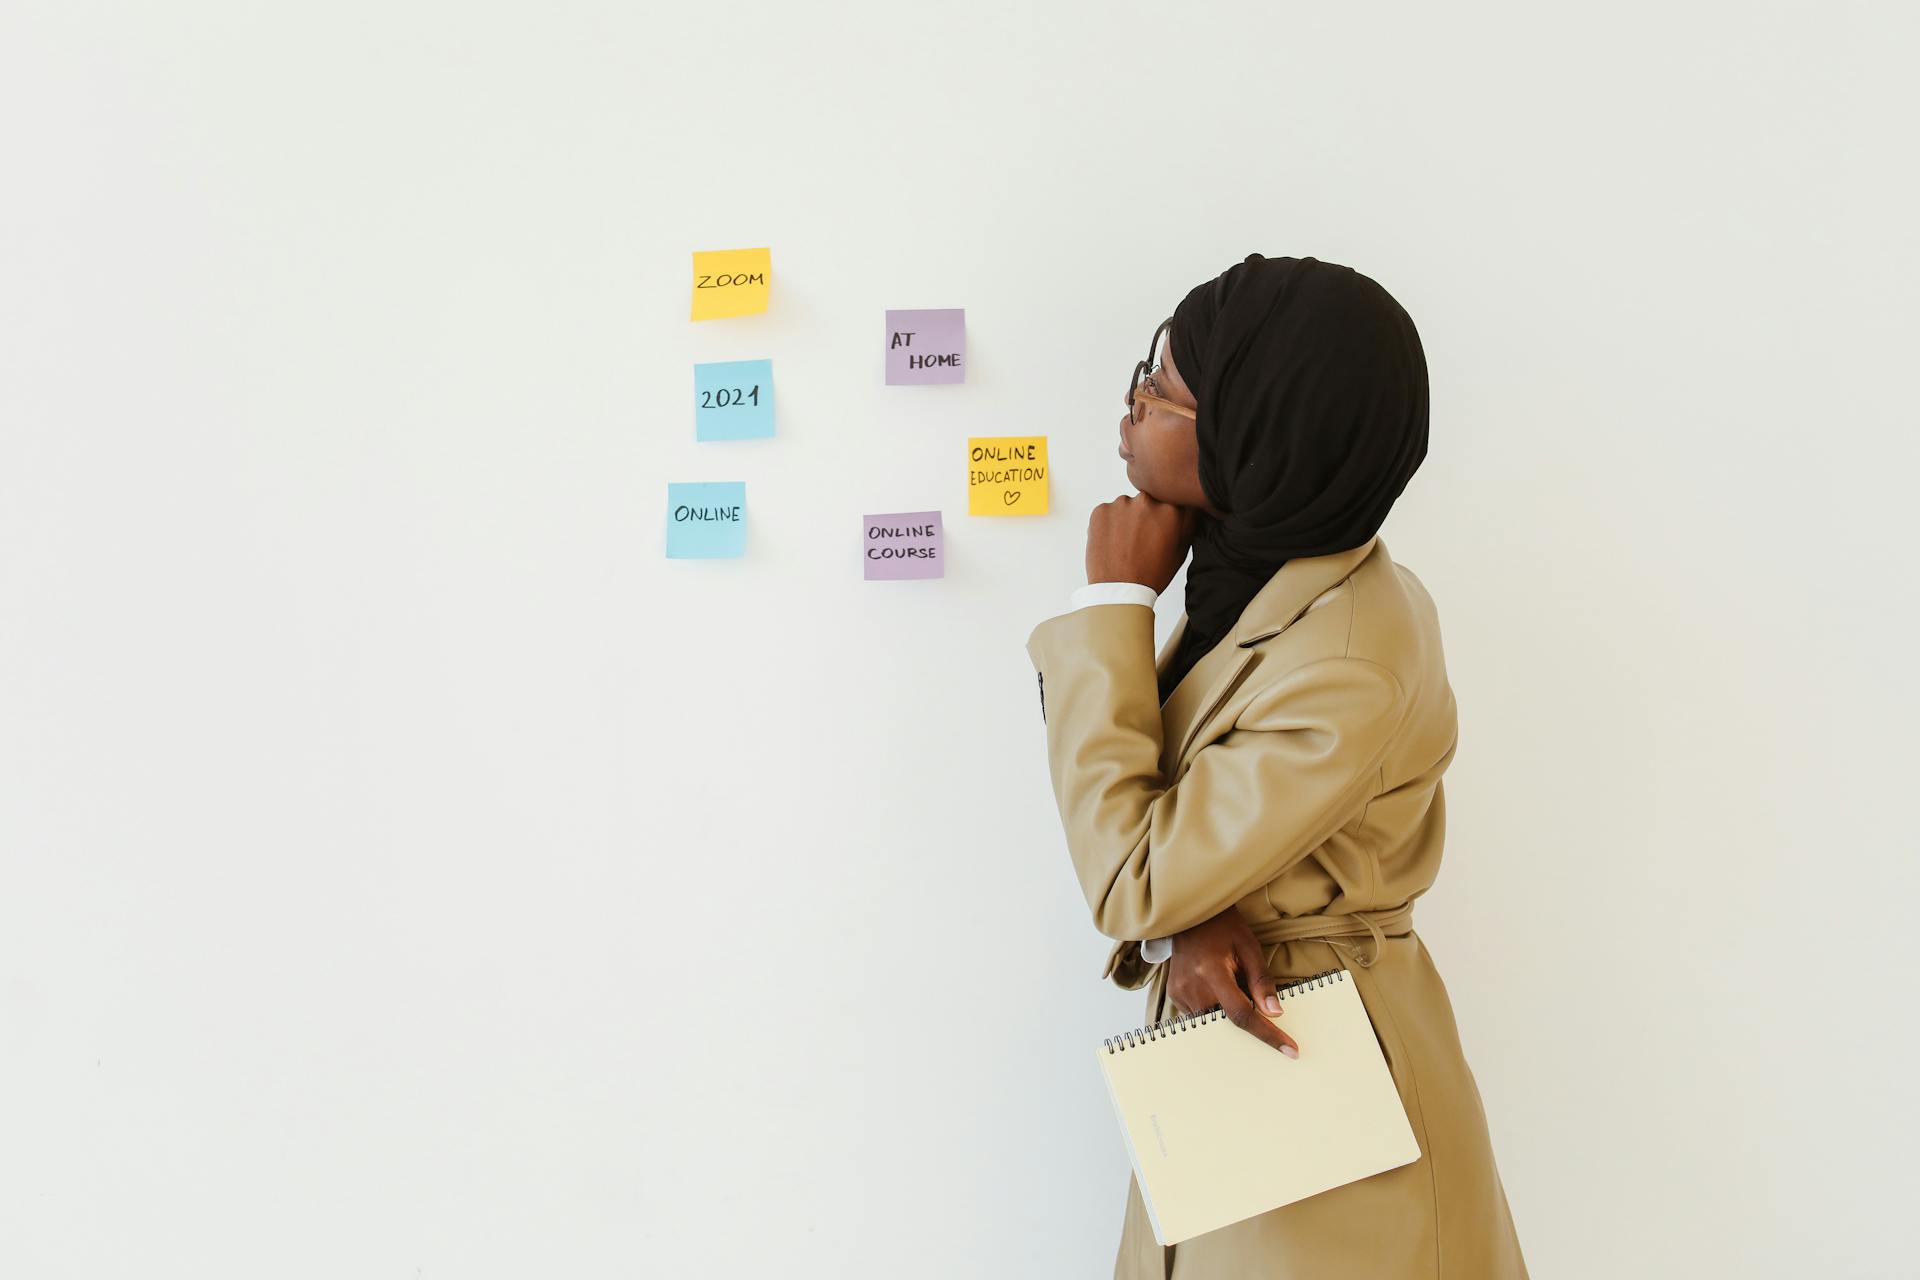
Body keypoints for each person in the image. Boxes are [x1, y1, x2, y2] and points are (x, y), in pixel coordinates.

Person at [1025, 254, 1528, 1278]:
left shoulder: (1348, 652)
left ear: (1262, 429)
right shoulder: (1256, 579)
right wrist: (1198, 905)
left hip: (1320, 1089)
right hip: (1247, 1060)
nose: (1129, 411)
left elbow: (1129, 869)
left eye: (1161, 391)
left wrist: (1116, 604)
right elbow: (1167, 824)